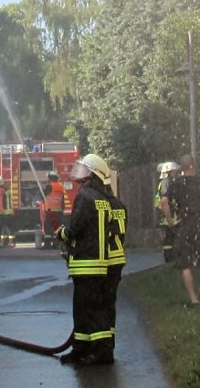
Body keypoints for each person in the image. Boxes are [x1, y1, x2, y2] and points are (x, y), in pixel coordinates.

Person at [55, 153, 114, 366]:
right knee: (91, 308)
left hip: (85, 263)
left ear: (93, 174)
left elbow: (76, 228)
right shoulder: (103, 199)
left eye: (85, 171)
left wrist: (61, 233)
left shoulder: (84, 196)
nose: (80, 176)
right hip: (100, 264)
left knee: (87, 309)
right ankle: (83, 349)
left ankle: (99, 353)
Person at [161, 153, 200, 306]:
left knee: (185, 263)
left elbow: (164, 202)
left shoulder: (176, 183)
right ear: (194, 166)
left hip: (184, 226)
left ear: (181, 168)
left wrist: (170, 221)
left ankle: (194, 299)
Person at [103, 176, 127, 355]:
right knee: (111, 302)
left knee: (101, 302)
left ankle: (103, 343)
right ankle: (110, 339)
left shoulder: (102, 206)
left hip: (106, 258)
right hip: (119, 257)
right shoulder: (120, 205)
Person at [154, 161, 181, 262]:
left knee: (170, 239)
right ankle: (170, 259)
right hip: (169, 217)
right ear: (169, 172)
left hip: (168, 216)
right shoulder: (166, 182)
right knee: (170, 239)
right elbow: (165, 201)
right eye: (174, 171)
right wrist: (170, 220)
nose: (176, 173)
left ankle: (172, 258)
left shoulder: (166, 182)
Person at [40, 170, 65, 246]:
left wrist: (42, 188)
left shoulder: (49, 186)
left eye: (48, 178)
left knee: (48, 228)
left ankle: (47, 244)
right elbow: (63, 200)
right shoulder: (61, 186)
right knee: (56, 228)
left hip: (51, 210)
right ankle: (56, 243)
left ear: (50, 178)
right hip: (59, 210)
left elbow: (42, 195)